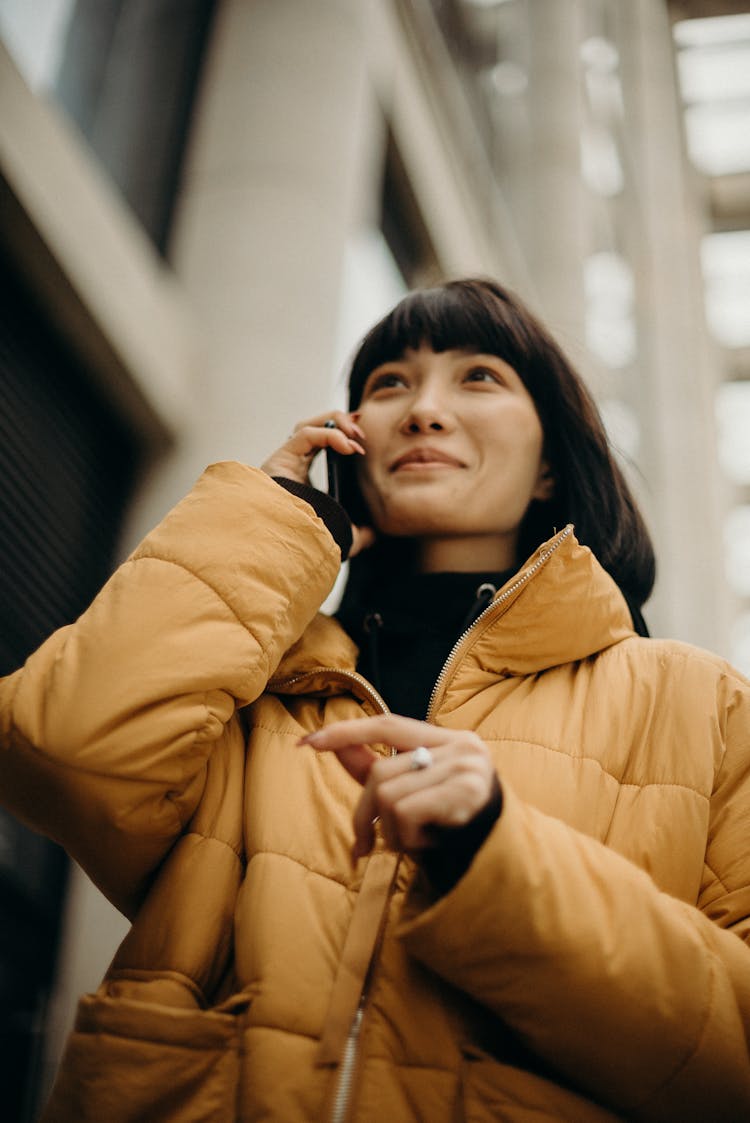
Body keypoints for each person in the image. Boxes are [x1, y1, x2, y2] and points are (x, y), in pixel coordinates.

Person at [1, 278, 749, 1123]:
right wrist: (271, 522)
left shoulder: (702, 705)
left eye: (479, 377)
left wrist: (497, 861)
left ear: (548, 466)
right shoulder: (250, 679)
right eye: (389, 382)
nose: (422, 409)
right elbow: (58, 749)